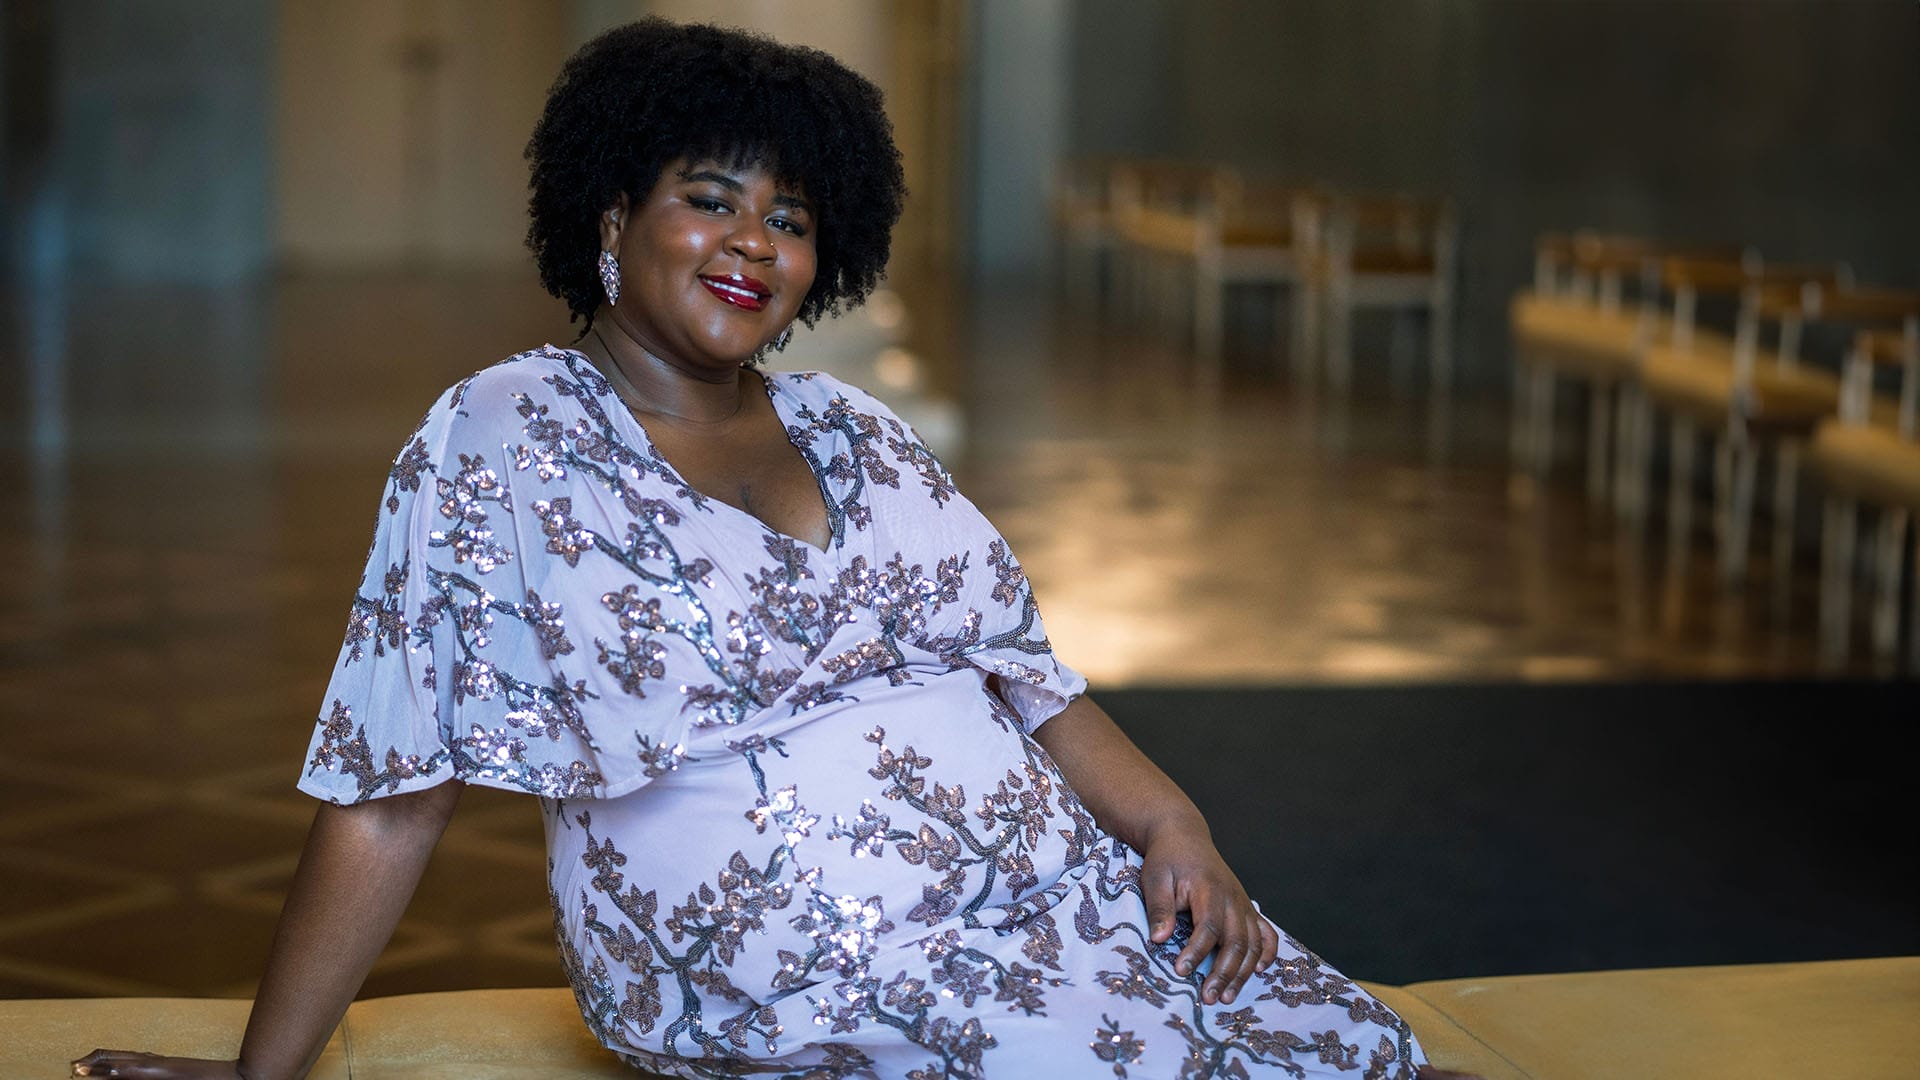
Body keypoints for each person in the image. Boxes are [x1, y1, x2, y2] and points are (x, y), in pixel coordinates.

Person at [75, 19, 1476, 1080]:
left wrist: (1177, 829)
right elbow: (394, 790)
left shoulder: (853, 427)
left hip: (1050, 894)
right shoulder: (502, 438)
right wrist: (264, 1074)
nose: (754, 240)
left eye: (792, 219)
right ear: (612, 216)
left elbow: (1028, 681)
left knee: (1347, 1050)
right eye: (713, 196)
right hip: (794, 963)